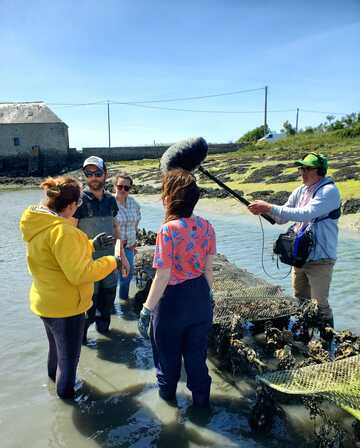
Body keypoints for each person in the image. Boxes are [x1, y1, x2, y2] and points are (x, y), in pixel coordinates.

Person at [19, 176, 123, 399]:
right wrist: (112, 262)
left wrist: (89, 244)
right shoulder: (65, 232)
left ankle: (52, 388)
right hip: (66, 309)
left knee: (55, 352)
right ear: (69, 206)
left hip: (45, 302)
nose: (77, 209)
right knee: (68, 362)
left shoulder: (39, 224)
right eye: (77, 205)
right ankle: (66, 403)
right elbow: (81, 274)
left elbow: (55, 256)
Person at [137, 169, 216, 407]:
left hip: (172, 303)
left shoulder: (168, 230)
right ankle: (202, 409)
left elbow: (163, 275)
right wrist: (208, 297)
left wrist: (146, 310)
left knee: (167, 363)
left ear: (170, 198)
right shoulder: (207, 226)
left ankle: (169, 417)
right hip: (200, 297)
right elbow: (208, 270)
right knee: (196, 361)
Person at [248, 152, 341, 329]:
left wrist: (268, 206)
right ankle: (306, 334)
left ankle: (329, 343)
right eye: (301, 168)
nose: (302, 172)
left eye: (308, 168)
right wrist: (263, 210)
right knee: (300, 299)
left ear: (320, 171)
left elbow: (307, 213)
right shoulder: (300, 190)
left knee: (321, 304)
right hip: (300, 257)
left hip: (321, 259)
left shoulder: (329, 191)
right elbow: (282, 217)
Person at [73, 156, 129, 343]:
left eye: (97, 173)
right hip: (87, 267)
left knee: (106, 310)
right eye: (89, 174)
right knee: (87, 313)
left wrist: (123, 257)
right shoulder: (78, 202)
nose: (93, 177)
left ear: (105, 174)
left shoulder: (111, 201)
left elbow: (116, 229)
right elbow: (70, 235)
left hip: (109, 266)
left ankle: (107, 343)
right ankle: (81, 351)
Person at [113, 172, 141, 300]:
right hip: (113, 249)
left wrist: (134, 241)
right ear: (115, 186)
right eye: (120, 186)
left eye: (126, 187)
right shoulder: (109, 203)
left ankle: (123, 302)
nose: (123, 190)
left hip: (129, 248)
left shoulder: (133, 203)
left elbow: (136, 221)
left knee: (126, 277)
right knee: (111, 281)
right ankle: (110, 309)